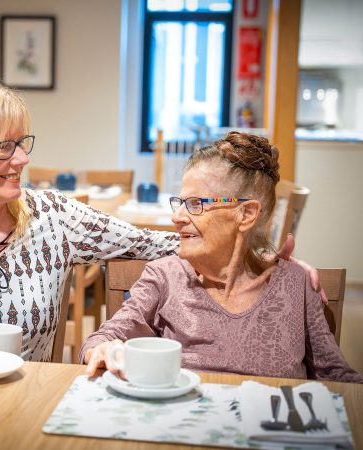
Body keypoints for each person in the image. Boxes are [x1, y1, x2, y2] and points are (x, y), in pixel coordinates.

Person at [0, 76, 322, 362]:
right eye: (4, 147)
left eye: (24, 143)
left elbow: (160, 243)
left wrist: (262, 261)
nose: (21, 159)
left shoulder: (52, 217)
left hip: (23, 403)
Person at [82, 132, 362, 383]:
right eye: (179, 202)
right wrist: (104, 348)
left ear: (246, 214)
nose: (177, 217)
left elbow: (338, 377)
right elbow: (102, 339)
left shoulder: (296, 285)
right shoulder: (166, 276)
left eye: (194, 204)